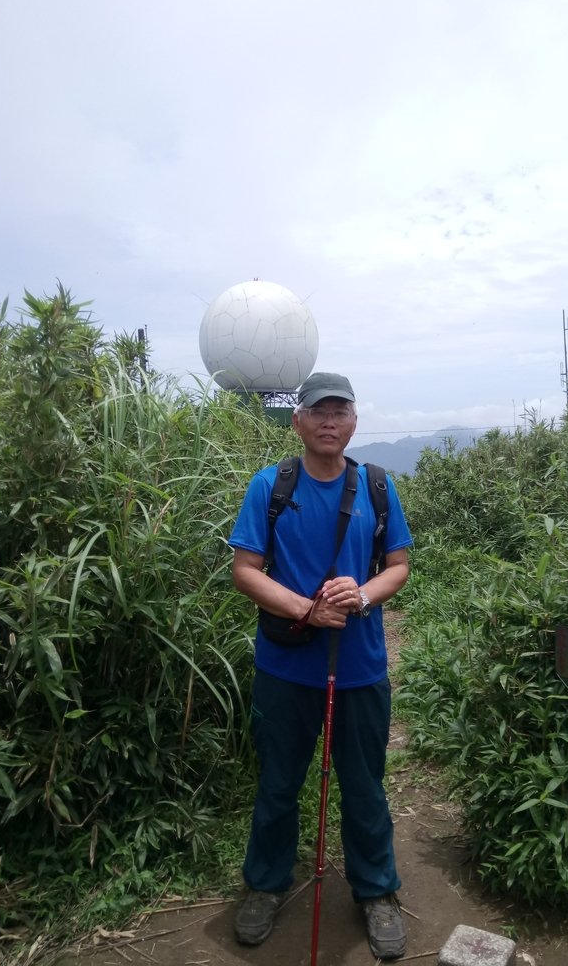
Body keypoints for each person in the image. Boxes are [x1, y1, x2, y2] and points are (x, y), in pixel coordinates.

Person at [228, 371, 413, 960]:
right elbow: (246, 570)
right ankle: (264, 884)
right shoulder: (271, 486)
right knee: (279, 785)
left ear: (354, 422)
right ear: (298, 421)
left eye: (340, 412)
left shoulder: (378, 487)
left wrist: (359, 596)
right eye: (318, 412)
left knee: (364, 786)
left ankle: (377, 892)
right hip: (286, 668)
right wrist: (309, 610)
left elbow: (398, 566)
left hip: (360, 667)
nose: (329, 421)